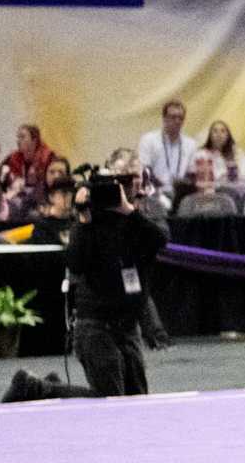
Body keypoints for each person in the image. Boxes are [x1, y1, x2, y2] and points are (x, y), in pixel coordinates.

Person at [63, 158, 167, 397]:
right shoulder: (90, 220)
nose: (130, 187)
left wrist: (127, 211)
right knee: (110, 400)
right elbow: (77, 264)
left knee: (137, 397)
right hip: (95, 324)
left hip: (127, 325)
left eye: (133, 180)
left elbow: (160, 240)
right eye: (123, 181)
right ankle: (42, 390)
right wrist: (83, 219)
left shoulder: (140, 215)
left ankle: (43, 387)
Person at [138, 99, 197, 193]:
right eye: (173, 117)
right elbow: (145, 171)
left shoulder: (190, 144)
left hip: (179, 193)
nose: (177, 121)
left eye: (181, 118)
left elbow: (191, 173)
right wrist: (162, 188)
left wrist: (181, 187)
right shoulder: (149, 140)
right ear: (164, 118)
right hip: (155, 191)